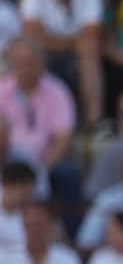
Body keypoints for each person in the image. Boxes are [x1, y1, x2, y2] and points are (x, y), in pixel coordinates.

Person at [20, 0, 104, 126]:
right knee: (28, 56)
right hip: (45, 55)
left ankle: (93, 123)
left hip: (76, 57)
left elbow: (90, 37)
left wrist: (52, 40)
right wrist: (71, 41)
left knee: (89, 57)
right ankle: (33, 122)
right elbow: (33, 35)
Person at [0, 39, 78, 204]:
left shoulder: (58, 92)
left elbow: (64, 139)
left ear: (42, 63)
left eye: (30, 63)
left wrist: (41, 168)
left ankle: (66, 226)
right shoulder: (3, 91)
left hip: (46, 161)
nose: (25, 69)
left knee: (67, 173)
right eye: (20, 63)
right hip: (6, 160)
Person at [0, 200, 82, 264]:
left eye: (39, 224)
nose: (34, 230)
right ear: (23, 225)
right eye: (30, 224)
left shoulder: (68, 260)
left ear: (50, 225)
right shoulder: (5, 259)